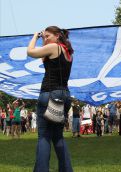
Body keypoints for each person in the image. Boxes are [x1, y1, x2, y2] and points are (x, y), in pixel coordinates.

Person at [27, 26, 74, 172]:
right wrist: (44, 41)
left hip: (49, 94)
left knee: (44, 136)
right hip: (64, 95)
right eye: (44, 36)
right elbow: (44, 59)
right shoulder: (67, 51)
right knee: (58, 136)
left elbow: (30, 52)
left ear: (57, 35)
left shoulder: (54, 47)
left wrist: (35, 36)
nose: (45, 39)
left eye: (48, 36)